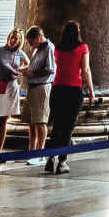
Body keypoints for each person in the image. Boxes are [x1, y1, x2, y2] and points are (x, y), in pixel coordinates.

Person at [46, 20, 95, 174]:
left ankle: (49, 158)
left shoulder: (58, 48)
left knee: (56, 126)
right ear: (77, 32)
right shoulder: (82, 48)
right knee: (68, 127)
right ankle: (62, 161)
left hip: (57, 88)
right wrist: (92, 92)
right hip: (73, 90)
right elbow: (85, 70)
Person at [0, 29, 27, 158]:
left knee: (4, 121)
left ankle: (0, 151)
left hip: (11, 87)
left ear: (20, 41)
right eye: (12, 37)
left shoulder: (20, 54)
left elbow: (29, 65)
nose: (13, 40)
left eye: (16, 38)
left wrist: (19, 70)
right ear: (9, 37)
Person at [22, 26, 55, 165]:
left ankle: (41, 154)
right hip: (33, 87)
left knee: (41, 121)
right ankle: (32, 151)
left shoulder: (49, 48)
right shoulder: (38, 48)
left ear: (38, 38)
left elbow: (50, 70)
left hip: (41, 87)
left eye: (31, 42)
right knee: (32, 121)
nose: (30, 45)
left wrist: (32, 74)